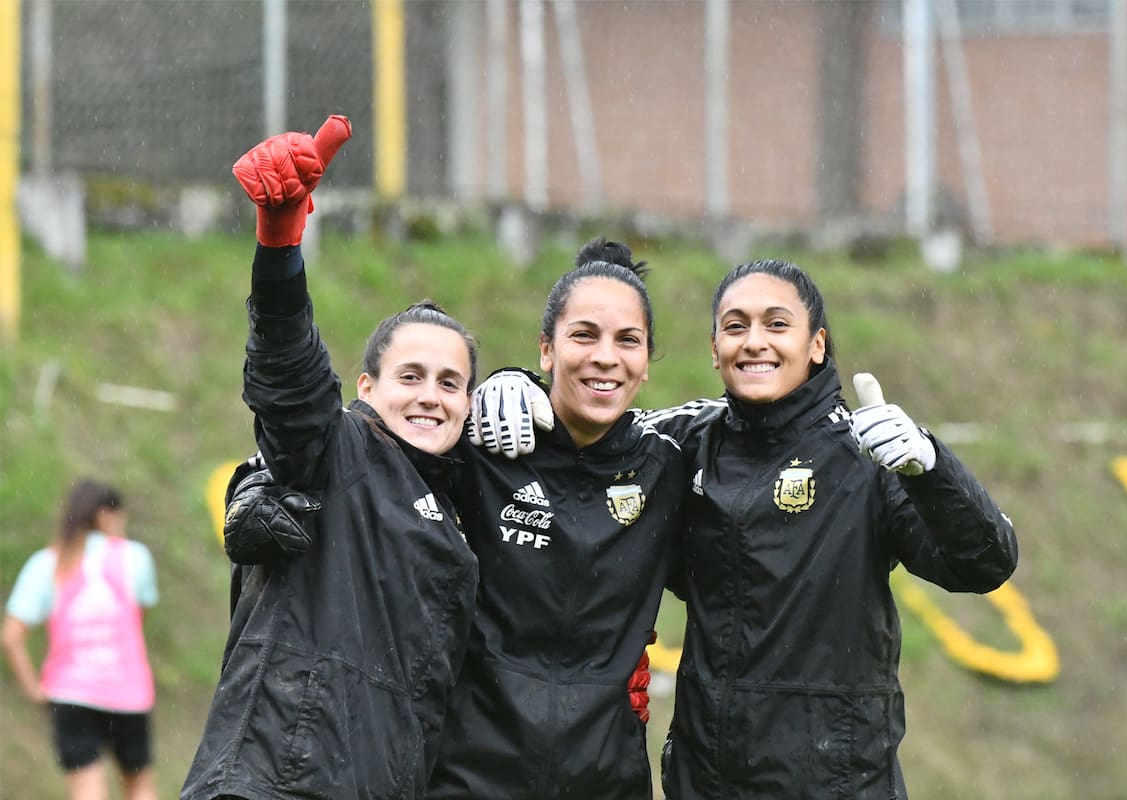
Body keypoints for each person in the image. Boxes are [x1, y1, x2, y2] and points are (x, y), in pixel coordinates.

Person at [475, 258, 1019, 799]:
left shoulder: (868, 455)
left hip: (836, 784)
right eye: (736, 326)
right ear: (715, 350)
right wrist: (516, 386)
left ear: (817, 346)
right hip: (705, 782)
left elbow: (982, 563)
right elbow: (593, 425)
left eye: (777, 325)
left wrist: (932, 465)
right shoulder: (682, 445)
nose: (755, 341)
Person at [224, 237, 690, 799]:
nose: (605, 356)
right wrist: (255, 481)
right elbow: (339, 449)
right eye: (584, 335)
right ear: (547, 348)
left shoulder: (671, 463)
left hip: (605, 781)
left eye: (628, 341)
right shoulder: (479, 442)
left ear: (647, 362)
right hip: (465, 779)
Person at [180, 115, 480, 800]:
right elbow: (290, 381)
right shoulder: (338, 453)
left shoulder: (462, 516)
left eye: (449, 382)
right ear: (366, 389)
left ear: (470, 404)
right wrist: (279, 245)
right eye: (411, 376)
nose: (430, 397)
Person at [2, 479, 160, 800]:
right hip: (128, 691)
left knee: (87, 789)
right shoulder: (135, 557)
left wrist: (35, 689)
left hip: (70, 692)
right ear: (104, 516)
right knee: (140, 786)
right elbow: (139, 615)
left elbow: (11, 637)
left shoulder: (47, 563)